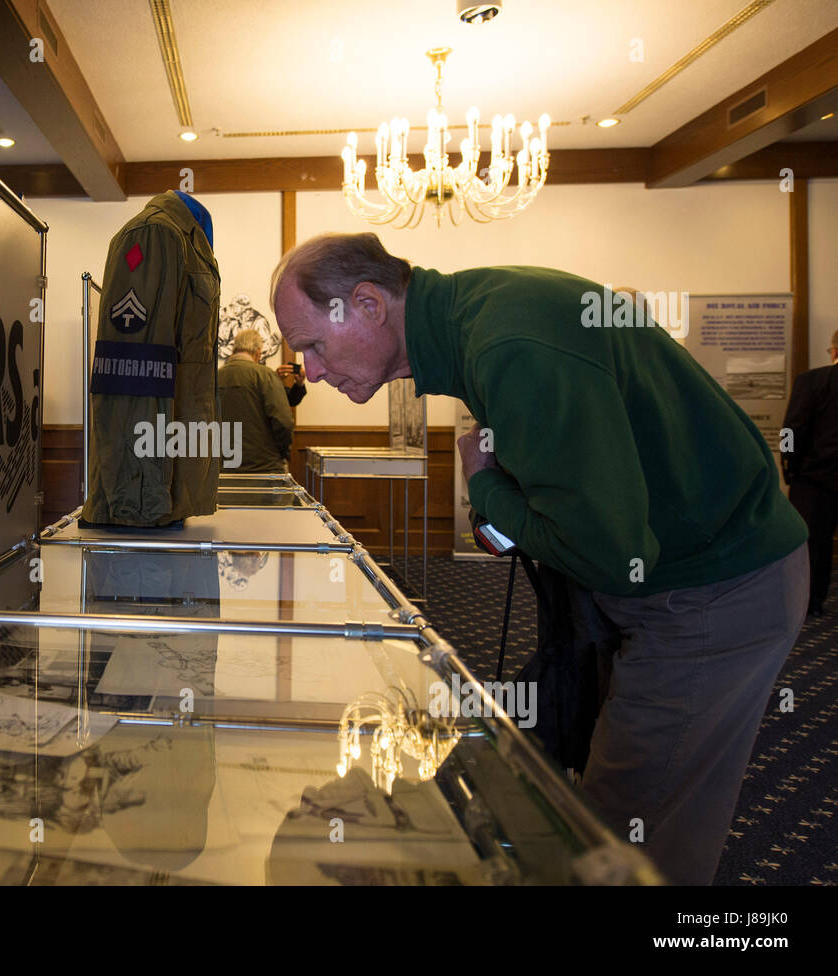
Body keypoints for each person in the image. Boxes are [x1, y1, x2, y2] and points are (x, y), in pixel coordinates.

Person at [269, 231, 809, 885]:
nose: (313, 372)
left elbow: (609, 552)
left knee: (625, 836)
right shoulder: (478, 321)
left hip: (712, 593)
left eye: (313, 347)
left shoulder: (505, 342)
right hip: (682, 579)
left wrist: (489, 490)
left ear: (368, 304)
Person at [82, 190, 220, 528]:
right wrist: (140, 495)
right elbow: (135, 371)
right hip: (142, 509)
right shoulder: (155, 233)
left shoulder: (186, 237)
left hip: (168, 496)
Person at [781, 330, 838, 616]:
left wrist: (789, 465)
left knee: (812, 545)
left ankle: (810, 603)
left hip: (815, 479)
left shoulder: (812, 381)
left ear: (834, 350)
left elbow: (791, 429)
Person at [217, 328, 294, 473]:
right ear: (257, 352)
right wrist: (284, 453)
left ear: (234, 349)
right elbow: (284, 421)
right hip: (265, 468)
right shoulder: (266, 376)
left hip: (224, 468)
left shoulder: (215, 378)